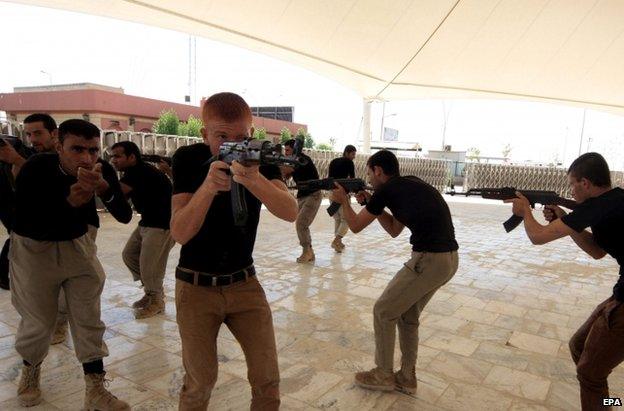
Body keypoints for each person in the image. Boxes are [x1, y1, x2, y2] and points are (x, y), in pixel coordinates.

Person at [170, 92, 297, 410]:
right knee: (199, 383)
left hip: (245, 285)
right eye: (221, 136)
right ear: (204, 134)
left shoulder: (260, 159)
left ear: (251, 135)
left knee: (267, 380)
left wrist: (255, 180)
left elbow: (289, 210)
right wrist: (208, 187)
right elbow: (180, 232)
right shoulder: (189, 159)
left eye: (241, 137)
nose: (231, 145)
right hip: (196, 287)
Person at [10, 119, 132, 409]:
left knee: (89, 317)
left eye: (93, 150)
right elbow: (23, 221)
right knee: (39, 321)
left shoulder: (100, 169)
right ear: (58, 145)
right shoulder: (36, 168)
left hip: (77, 248)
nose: (87, 158)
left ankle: (95, 389)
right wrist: (68, 203)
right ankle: (30, 371)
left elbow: (125, 215)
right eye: (77, 149)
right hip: (34, 250)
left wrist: (104, 189)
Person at [332, 150, 458, 395]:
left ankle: (383, 374)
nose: (369, 178)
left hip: (429, 259)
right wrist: (372, 203)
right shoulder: (410, 184)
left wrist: (343, 202)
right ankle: (407, 377)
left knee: (383, 311)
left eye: (369, 173)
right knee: (407, 315)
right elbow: (394, 229)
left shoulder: (387, 191)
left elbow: (355, 226)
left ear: (378, 171)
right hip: (449, 260)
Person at [505, 152, 624, 411]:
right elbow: (597, 251)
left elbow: (537, 236)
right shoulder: (614, 201)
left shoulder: (598, 206)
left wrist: (525, 210)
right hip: (621, 292)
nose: (570, 189)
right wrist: (566, 223)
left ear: (585, 183)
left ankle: (609, 404)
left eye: (572, 184)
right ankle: (608, 404)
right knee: (579, 346)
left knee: (590, 374)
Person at [110, 141, 175, 319]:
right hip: (148, 222)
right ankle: (152, 292)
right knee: (129, 255)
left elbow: (117, 194)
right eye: (112, 156)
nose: (113, 160)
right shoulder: (135, 171)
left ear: (131, 157)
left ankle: (156, 302)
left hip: (161, 225)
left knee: (150, 266)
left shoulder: (139, 172)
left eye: (117, 156)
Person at [0, 113, 57, 290]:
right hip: (16, 210)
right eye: (29, 135)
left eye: (38, 133)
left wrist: (17, 160)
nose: (32, 139)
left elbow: (52, 186)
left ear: (54, 133)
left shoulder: (65, 155)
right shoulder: (30, 155)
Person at [282, 139, 322, 263]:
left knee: (301, 224)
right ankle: (310, 252)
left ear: (295, 149)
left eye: (288, 150)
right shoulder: (293, 161)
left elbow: (286, 171)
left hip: (313, 195)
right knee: (301, 224)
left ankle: (306, 251)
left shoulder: (301, 159)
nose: (286, 153)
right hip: (303, 195)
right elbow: (286, 175)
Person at [327, 144, 357, 252]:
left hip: (332, 192)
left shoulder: (334, 161)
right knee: (346, 219)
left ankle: (338, 242)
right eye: (353, 154)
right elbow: (352, 179)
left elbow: (329, 177)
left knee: (338, 219)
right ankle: (337, 240)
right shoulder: (349, 162)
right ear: (347, 152)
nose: (354, 156)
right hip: (342, 193)